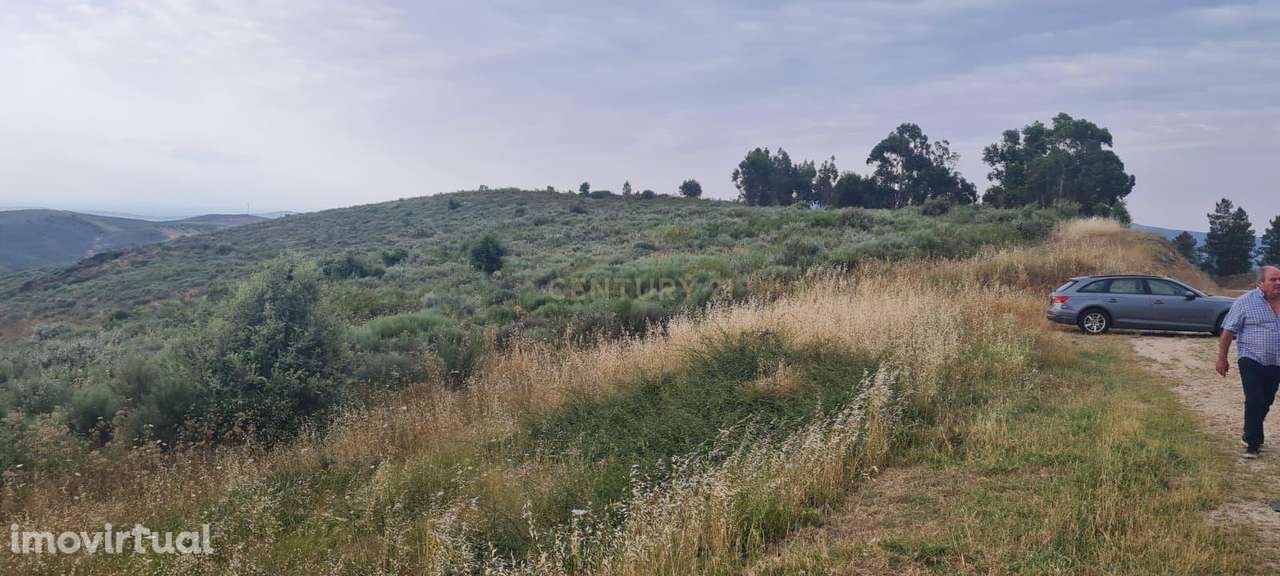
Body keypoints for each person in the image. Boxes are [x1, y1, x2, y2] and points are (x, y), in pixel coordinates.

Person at [1217, 265, 1280, 459]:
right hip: (1251, 358)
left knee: (1266, 400)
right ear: (1260, 283)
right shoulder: (1244, 302)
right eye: (1273, 279)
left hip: (1276, 362)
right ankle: (1253, 443)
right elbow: (1228, 330)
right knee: (1254, 399)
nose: (1278, 283)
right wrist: (1222, 358)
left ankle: (1249, 431)